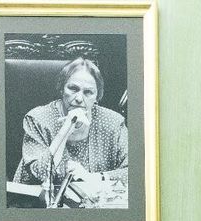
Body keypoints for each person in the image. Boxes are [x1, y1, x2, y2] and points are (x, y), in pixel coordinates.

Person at [12, 57, 129, 191]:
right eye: (73, 89)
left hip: (92, 200)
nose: (79, 98)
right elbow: (41, 174)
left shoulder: (113, 122)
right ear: (62, 89)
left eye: (88, 92)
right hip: (36, 199)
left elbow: (133, 172)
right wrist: (65, 130)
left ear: (97, 97)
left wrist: (93, 178)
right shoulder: (38, 119)